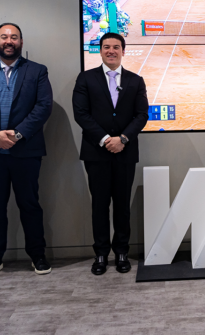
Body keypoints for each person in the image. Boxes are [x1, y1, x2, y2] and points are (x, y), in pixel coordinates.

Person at [0, 23, 53, 279]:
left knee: (30, 206)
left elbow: (43, 106)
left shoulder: (37, 71)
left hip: (25, 151)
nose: (9, 41)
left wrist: (16, 136)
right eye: (4, 37)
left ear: (21, 42)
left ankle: (37, 255)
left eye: (14, 37)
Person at [72, 32, 148, 275]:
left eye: (116, 47)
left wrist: (123, 139)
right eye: (106, 47)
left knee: (122, 206)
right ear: (100, 50)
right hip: (96, 153)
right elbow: (81, 114)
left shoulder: (136, 81)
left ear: (123, 51)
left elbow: (141, 116)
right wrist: (106, 140)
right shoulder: (85, 79)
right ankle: (101, 254)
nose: (111, 51)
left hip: (125, 152)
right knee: (100, 205)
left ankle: (122, 252)